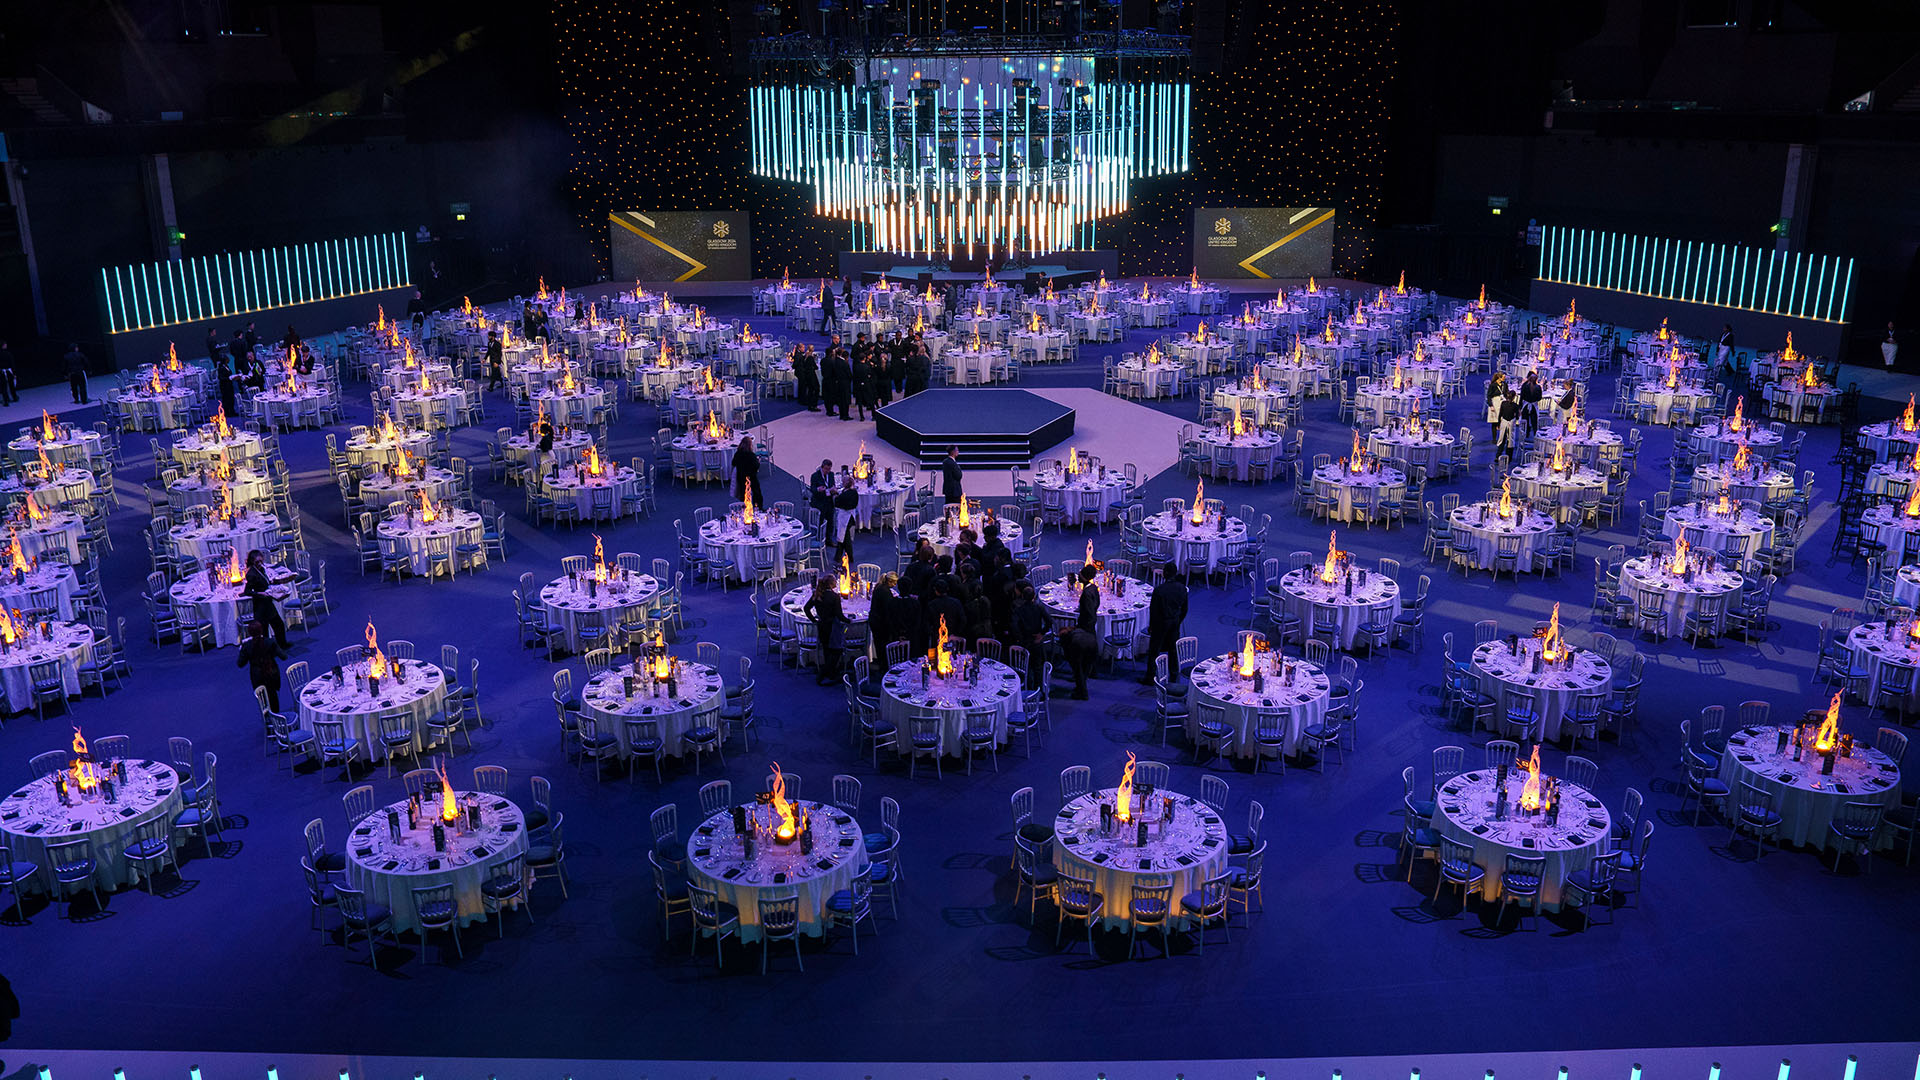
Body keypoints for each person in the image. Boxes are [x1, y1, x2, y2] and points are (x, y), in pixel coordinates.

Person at [1145, 572, 1189, 683]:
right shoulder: (1182, 588)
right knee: (1173, 650)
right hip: (1174, 622)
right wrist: (1179, 620)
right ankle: (1173, 676)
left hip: (1161, 623)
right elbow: (1185, 608)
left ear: (1164, 574)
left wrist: (1151, 626)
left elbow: (1153, 611)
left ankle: (1150, 677)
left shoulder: (1159, 590)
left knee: (1154, 650)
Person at [802, 577, 846, 686]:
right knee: (837, 650)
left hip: (821, 626)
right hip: (832, 627)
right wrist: (849, 620)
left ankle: (830, 673)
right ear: (831, 584)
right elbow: (839, 615)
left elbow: (806, 608)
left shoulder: (817, 595)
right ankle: (824, 672)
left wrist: (814, 620)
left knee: (826, 649)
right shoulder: (834, 597)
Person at [244, 548, 291, 648]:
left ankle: (282, 644)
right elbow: (247, 591)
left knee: (278, 625)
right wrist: (259, 593)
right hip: (260, 606)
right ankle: (268, 651)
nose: (260, 563)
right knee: (264, 630)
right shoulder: (251, 574)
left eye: (261, 561)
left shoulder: (261, 569)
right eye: (257, 562)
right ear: (252, 562)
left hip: (268, 603)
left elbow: (264, 581)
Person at [236, 618, 285, 712]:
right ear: (261, 630)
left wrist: (242, 651)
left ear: (249, 633)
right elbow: (283, 656)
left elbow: (240, 664)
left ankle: (267, 720)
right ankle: (277, 719)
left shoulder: (247, 646)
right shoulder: (270, 642)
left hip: (257, 677)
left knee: (262, 700)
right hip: (271, 674)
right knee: (273, 697)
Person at [1011, 580, 1047, 683]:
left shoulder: (1018, 609)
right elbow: (1049, 621)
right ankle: (1039, 690)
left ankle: (1029, 688)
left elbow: (1014, 626)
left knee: (1025, 666)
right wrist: (1041, 633)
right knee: (1038, 667)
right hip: (1036, 641)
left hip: (1025, 641)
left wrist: (1019, 638)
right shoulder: (1039, 607)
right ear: (1034, 596)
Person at [832, 474, 860, 564]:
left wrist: (835, 494)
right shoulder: (854, 492)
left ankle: (847, 557)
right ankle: (840, 556)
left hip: (845, 518)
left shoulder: (847, 494)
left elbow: (837, 502)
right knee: (844, 537)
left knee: (843, 537)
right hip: (850, 517)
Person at [732, 435, 762, 505]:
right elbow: (756, 466)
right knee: (757, 493)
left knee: (743, 494)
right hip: (751, 477)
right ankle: (758, 507)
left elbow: (733, 463)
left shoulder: (738, 454)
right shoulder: (751, 455)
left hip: (741, 476)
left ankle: (744, 508)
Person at [792, 343, 821, 411]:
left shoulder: (802, 355)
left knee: (803, 386)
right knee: (803, 386)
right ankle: (802, 400)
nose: (804, 349)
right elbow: (795, 364)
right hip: (801, 372)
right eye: (803, 347)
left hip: (802, 372)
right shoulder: (799, 355)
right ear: (799, 348)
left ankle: (803, 399)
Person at [808, 459, 836, 524]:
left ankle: (829, 533)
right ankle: (820, 531)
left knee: (830, 519)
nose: (827, 471)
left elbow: (833, 484)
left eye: (829, 469)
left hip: (829, 500)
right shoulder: (815, 476)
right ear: (822, 467)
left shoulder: (831, 474)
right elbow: (812, 489)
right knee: (821, 518)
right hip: (819, 500)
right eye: (826, 469)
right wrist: (818, 489)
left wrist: (833, 489)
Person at [1484, 372, 1506, 447]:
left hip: (1502, 403)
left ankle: (1502, 438)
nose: (1504, 378)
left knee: (1503, 421)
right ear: (1499, 378)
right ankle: (1494, 438)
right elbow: (1489, 396)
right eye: (1503, 377)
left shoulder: (1504, 384)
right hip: (1495, 403)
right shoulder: (1492, 385)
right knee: (1494, 421)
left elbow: (1506, 393)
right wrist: (1491, 405)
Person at [1519, 371, 1543, 439]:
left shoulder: (1524, 386)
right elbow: (1539, 398)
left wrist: (1520, 407)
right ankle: (1535, 435)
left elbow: (1521, 397)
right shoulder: (1538, 387)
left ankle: (1525, 434)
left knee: (1525, 420)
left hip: (1526, 406)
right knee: (1534, 421)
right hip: (1533, 406)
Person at [1496, 390, 1520, 456]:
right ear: (1514, 397)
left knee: (1502, 438)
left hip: (1504, 422)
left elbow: (1500, 414)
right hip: (1511, 422)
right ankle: (1509, 456)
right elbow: (1517, 417)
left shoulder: (1503, 403)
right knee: (1510, 439)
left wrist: (1498, 424)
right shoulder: (1515, 406)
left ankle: (1498, 455)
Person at [0, 339, 18, 405]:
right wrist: (14, 373)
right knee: (11, 385)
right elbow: (12, 364)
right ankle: (14, 397)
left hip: (1, 371)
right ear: (3, 345)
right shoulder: (8, 354)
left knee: (3, 386)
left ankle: (6, 400)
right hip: (8, 371)